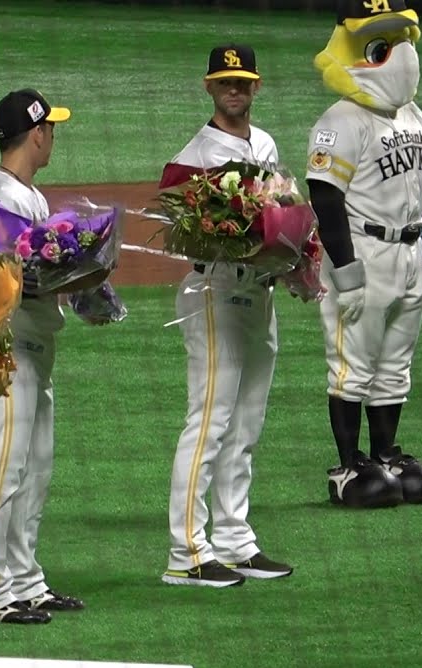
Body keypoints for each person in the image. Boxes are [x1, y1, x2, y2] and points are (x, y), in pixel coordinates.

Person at [160, 45, 294, 588]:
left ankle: (236, 540)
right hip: (214, 292)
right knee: (210, 423)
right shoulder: (193, 156)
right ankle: (187, 552)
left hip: (259, 294)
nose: (233, 89)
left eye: (242, 81)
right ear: (209, 87)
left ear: (256, 86)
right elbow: (177, 232)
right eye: (224, 81)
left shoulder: (266, 143)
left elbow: (283, 211)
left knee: (246, 424)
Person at [306, 0, 422, 508]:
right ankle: (348, 466)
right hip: (363, 250)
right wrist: (345, 271)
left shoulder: (414, 115)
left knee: (395, 364)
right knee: (353, 365)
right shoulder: (340, 120)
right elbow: (325, 197)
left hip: (407, 252)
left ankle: (386, 454)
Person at [0, 89, 86, 625]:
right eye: (50, 128)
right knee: (4, 470)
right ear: (37, 133)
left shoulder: (25, 195)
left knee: (34, 468)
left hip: (36, 349)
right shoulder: (2, 199)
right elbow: (8, 281)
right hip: (8, 352)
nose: (53, 136)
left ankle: (25, 581)